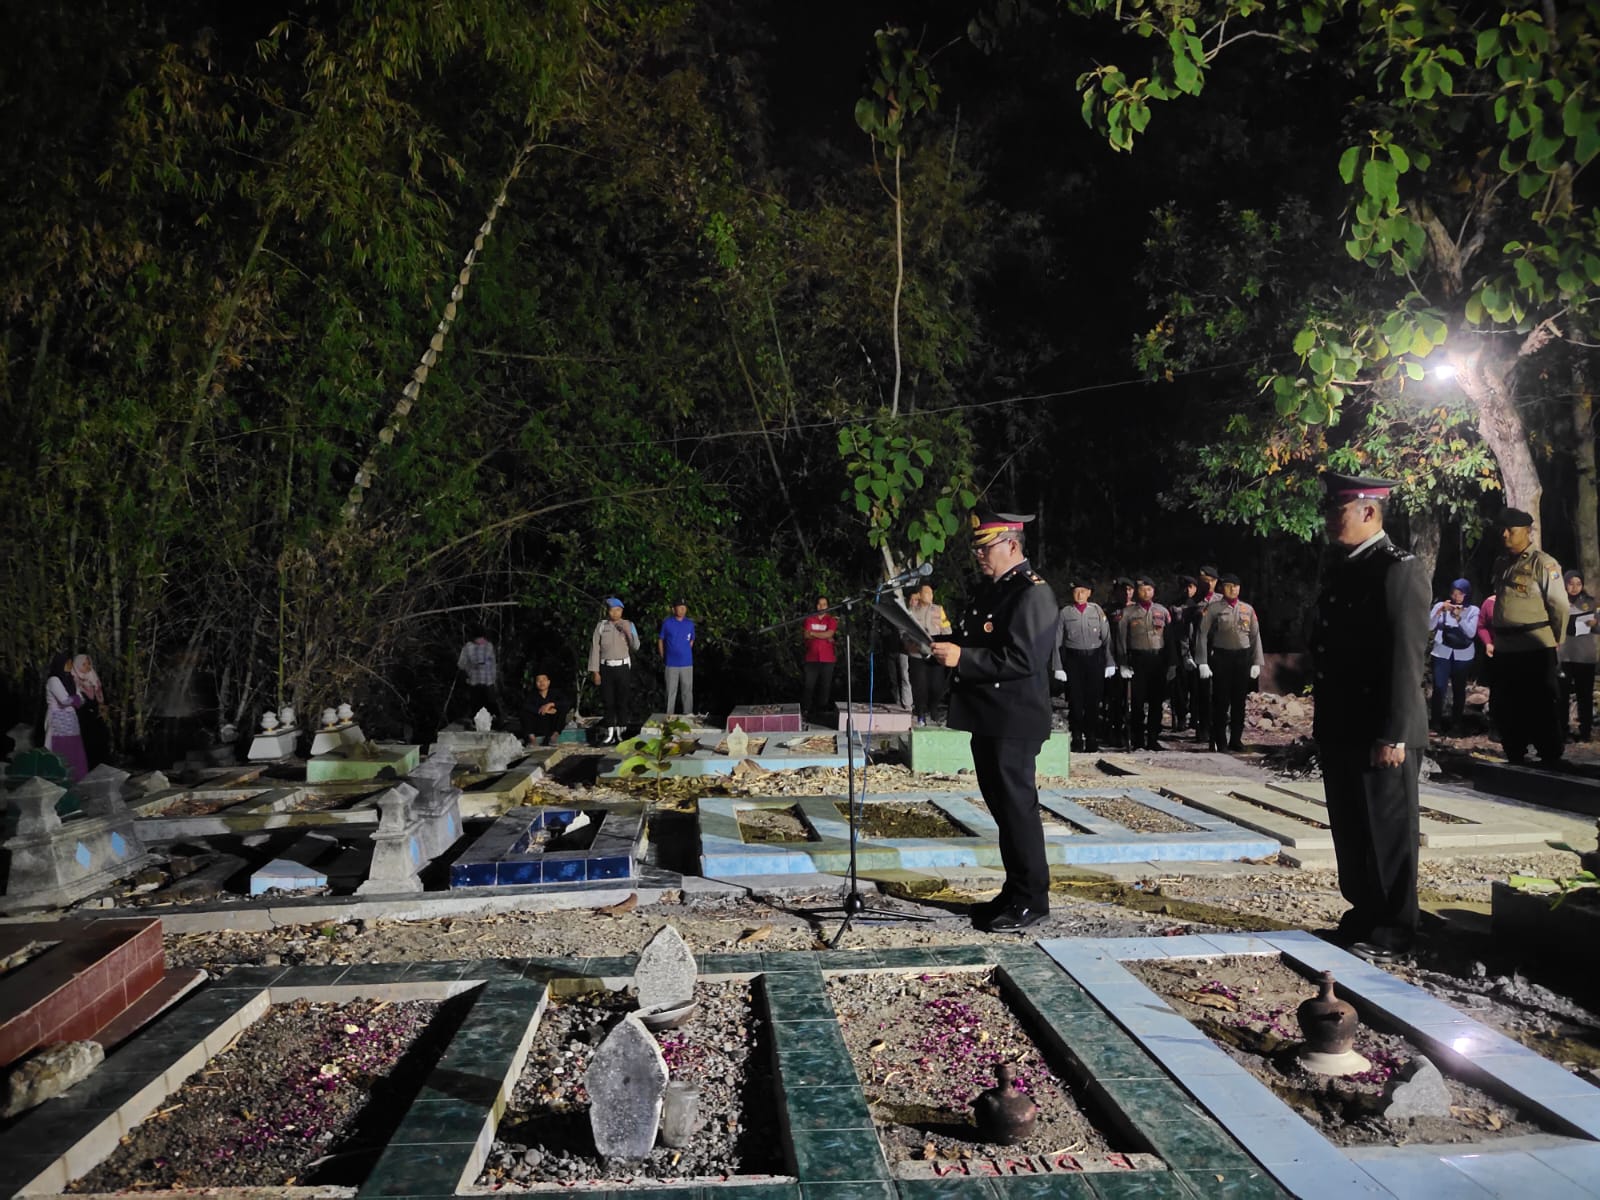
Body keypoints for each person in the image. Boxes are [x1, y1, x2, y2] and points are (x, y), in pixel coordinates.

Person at [1312, 472, 1428, 964]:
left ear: (1367, 511)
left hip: (1380, 726)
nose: (1328, 519)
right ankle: (1364, 912)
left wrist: (1394, 732)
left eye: (1336, 510)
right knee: (1352, 828)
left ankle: (1396, 927)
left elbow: (1405, 657)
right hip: (1343, 723)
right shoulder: (1345, 566)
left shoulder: (1397, 569)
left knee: (1387, 830)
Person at [929, 507, 1057, 933]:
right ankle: (1015, 890)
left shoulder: (1032, 593)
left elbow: (1023, 658)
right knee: (1003, 809)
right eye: (977, 548)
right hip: (990, 716)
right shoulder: (994, 591)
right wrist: (941, 646)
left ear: (1012, 545)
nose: (979, 555)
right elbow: (977, 639)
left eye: (986, 547)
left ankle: (1032, 899)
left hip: (1014, 718)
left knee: (1018, 809)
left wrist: (962, 658)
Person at [1489, 508, 1567, 764]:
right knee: (1506, 703)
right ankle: (1514, 749)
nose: (1505, 534)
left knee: (1540, 702)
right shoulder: (1502, 563)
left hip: (1534, 645)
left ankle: (1549, 754)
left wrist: (1557, 638)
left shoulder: (1543, 563)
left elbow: (1559, 605)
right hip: (1505, 647)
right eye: (1502, 529)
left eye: (1510, 530)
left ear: (1527, 531)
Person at [1196, 572, 1265, 752]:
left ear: (1239, 588)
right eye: (1228, 586)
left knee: (1239, 701)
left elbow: (1255, 636)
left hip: (1242, 658)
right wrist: (1202, 661)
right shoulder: (1214, 608)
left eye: (1235, 586)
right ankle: (1220, 741)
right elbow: (1202, 633)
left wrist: (1256, 662)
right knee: (1221, 701)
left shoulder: (1247, 609)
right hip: (1221, 657)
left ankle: (1236, 739)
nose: (1232, 589)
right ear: (1222, 588)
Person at [1052, 581, 1114, 753]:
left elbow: (1107, 638)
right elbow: (1056, 641)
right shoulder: (1065, 612)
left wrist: (1110, 662)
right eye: (1076, 591)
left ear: (1089, 593)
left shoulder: (1097, 610)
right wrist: (1058, 666)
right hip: (1074, 660)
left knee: (1093, 701)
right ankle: (1077, 736)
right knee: (1075, 701)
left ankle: (1092, 737)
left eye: (1083, 591)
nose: (1080, 595)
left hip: (1094, 659)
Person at [1116, 575, 1177, 750]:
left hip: (1158, 660)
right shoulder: (1128, 613)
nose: (1146, 593)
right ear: (1137, 592)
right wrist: (1123, 663)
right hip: (1137, 660)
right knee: (1137, 701)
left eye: (1149, 589)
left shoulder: (1162, 611)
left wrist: (1172, 663)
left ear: (1153, 591)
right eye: (1142, 590)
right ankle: (1137, 739)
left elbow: (1170, 639)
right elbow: (1121, 640)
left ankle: (1152, 738)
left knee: (1156, 702)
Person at [1427, 579, 1479, 735]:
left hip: (1463, 655)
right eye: (1454, 593)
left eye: (1460, 594)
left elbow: (1471, 632)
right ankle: (1435, 723)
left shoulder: (1473, 610)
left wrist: (1459, 618)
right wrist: (1439, 611)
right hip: (1442, 652)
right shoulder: (1441, 606)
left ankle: (1456, 723)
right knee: (1439, 688)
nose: (1457, 597)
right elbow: (1429, 626)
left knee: (1459, 689)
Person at [588, 597, 640, 745]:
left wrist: (627, 632)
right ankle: (610, 733)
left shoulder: (629, 624)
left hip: (622, 667)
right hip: (606, 667)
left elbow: (636, 646)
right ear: (608, 611)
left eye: (618, 610)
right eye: (612, 610)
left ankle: (622, 733)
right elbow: (595, 648)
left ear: (622, 611)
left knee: (622, 701)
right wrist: (595, 671)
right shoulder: (601, 626)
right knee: (608, 701)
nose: (615, 613)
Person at [1560, 571, 1598, 742]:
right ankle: (1562, 730)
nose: (1574, 587)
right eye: (1571, 583)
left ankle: (1585, 732)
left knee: (1585, 695)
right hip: (1564, 656)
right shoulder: (1558, 603)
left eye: (1578, 584)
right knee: (1561, 695)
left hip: (1585, 656)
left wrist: (1595, 624)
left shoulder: (1590, 603)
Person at [906, 583, 952, 725]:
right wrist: (910, 645)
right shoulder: (912, 611)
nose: (930, 596)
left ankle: (933, 708)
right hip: (917, 654)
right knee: (919, 686)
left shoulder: (938, 610)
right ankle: (920, 714)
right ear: (919, 595)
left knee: (937, 686)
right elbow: (904, 631)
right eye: (927, 593)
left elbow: (947, 629)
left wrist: (944, 642)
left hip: (934, 654)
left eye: (931, 593)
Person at [1100, 577, 1135, 748]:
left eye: (1130, 590)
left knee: (1133, 699)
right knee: (1114, 698)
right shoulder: (1108, 610)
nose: (1127, 593)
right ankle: (1114, 730)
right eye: (1123, 590)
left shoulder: (1137, 609)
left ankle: (1133, 732)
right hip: (1113, 658)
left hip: (1134, 658)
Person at [43, 653, 89, 781]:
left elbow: (82, 700)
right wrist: (76, 699)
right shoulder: (53, 680)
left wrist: (75, 699)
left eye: (70, 663)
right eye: (67, 663)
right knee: (60, 749)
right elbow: (64, 700)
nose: (69, 666)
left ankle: (75, 778)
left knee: (74, 748)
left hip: (71, 720)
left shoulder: (71, 680)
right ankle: (59, 779)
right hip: (57, 720)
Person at [1190, 566, 1220, 737]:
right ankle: (1203, 727)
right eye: (1203, 582)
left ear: (1215, 582)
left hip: (1220, 650)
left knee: (1220, 690)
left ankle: (1220, 726)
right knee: (1202, 691)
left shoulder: (1221, 600)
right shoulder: (1193, 602)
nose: (1207, 585)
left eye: (1210, 581)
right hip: (1200, 651)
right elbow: (1187, 630)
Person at [1169, 575, 1200, 735]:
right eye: (1185, 587)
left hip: (1197, 649)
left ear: (1196, 588)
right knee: (1180, 686)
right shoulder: (1174, 606)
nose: (1188, 590)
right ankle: (1181, 717)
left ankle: (1195, 717)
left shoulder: (1199, 605)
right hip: (1179, 650)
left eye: (1191, 587)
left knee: (1197, 686)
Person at [800, 595, 838, 722]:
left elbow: (830, 633)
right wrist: (823, 636)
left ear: (828, 606)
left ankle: (821, 713)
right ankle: (805, 712)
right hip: (811, 658)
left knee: (825, 687)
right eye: (819, 604)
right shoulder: (809, 619)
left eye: (824, 604)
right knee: (808, 686)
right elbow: (806, 635)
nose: (821, 607)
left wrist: (813, 633)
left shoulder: (831, 620)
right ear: (816, 606)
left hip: (827, 659)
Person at [658, 598, 697, 719]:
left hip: (687, 662)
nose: (682, 610)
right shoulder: (667, 623)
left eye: (684, 607)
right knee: (670, 691)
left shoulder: (690, 624)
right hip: (671, 663)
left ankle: (688, 714)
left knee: (687, 690)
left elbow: (692, 640)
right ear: (673, 609)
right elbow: (661, 640)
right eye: (680, 607)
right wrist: (663, 655)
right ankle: (669, 715)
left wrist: (684, 651)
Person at [71, 653, 110, 768]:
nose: (88, 666)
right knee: (86, 744)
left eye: (89, 664)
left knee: (100, 742)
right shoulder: (74, 681)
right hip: (82, 720)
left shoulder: (93, 678)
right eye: (84, 664)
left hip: (96, 718)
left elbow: (102, 697)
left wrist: (103, 707)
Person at [456, 630, 500, 721]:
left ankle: (496, 719)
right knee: (476, 703)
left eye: (482, 639)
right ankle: (475, 721)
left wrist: (494, 678)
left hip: (488, 680)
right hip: (474, 680)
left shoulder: (489, 646)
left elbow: (493, 664)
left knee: (491, 702)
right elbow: (461, 664)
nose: (481, 641)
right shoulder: (468, 647)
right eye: (479, 639)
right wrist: (470, 668)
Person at [521, 672, 572, 746]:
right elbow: (525, 706)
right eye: (539, 681)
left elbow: (567, 703)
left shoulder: (556, 693)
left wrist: (551, 704)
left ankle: (554, 737)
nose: (541, 682)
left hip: (552, 725)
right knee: (524, 712)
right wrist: (542, 710)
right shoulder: (532, 695)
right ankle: (532, 739)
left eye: (544, 680)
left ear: (548, 682)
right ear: (536, 683)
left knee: (562, 709)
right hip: (538, 724)